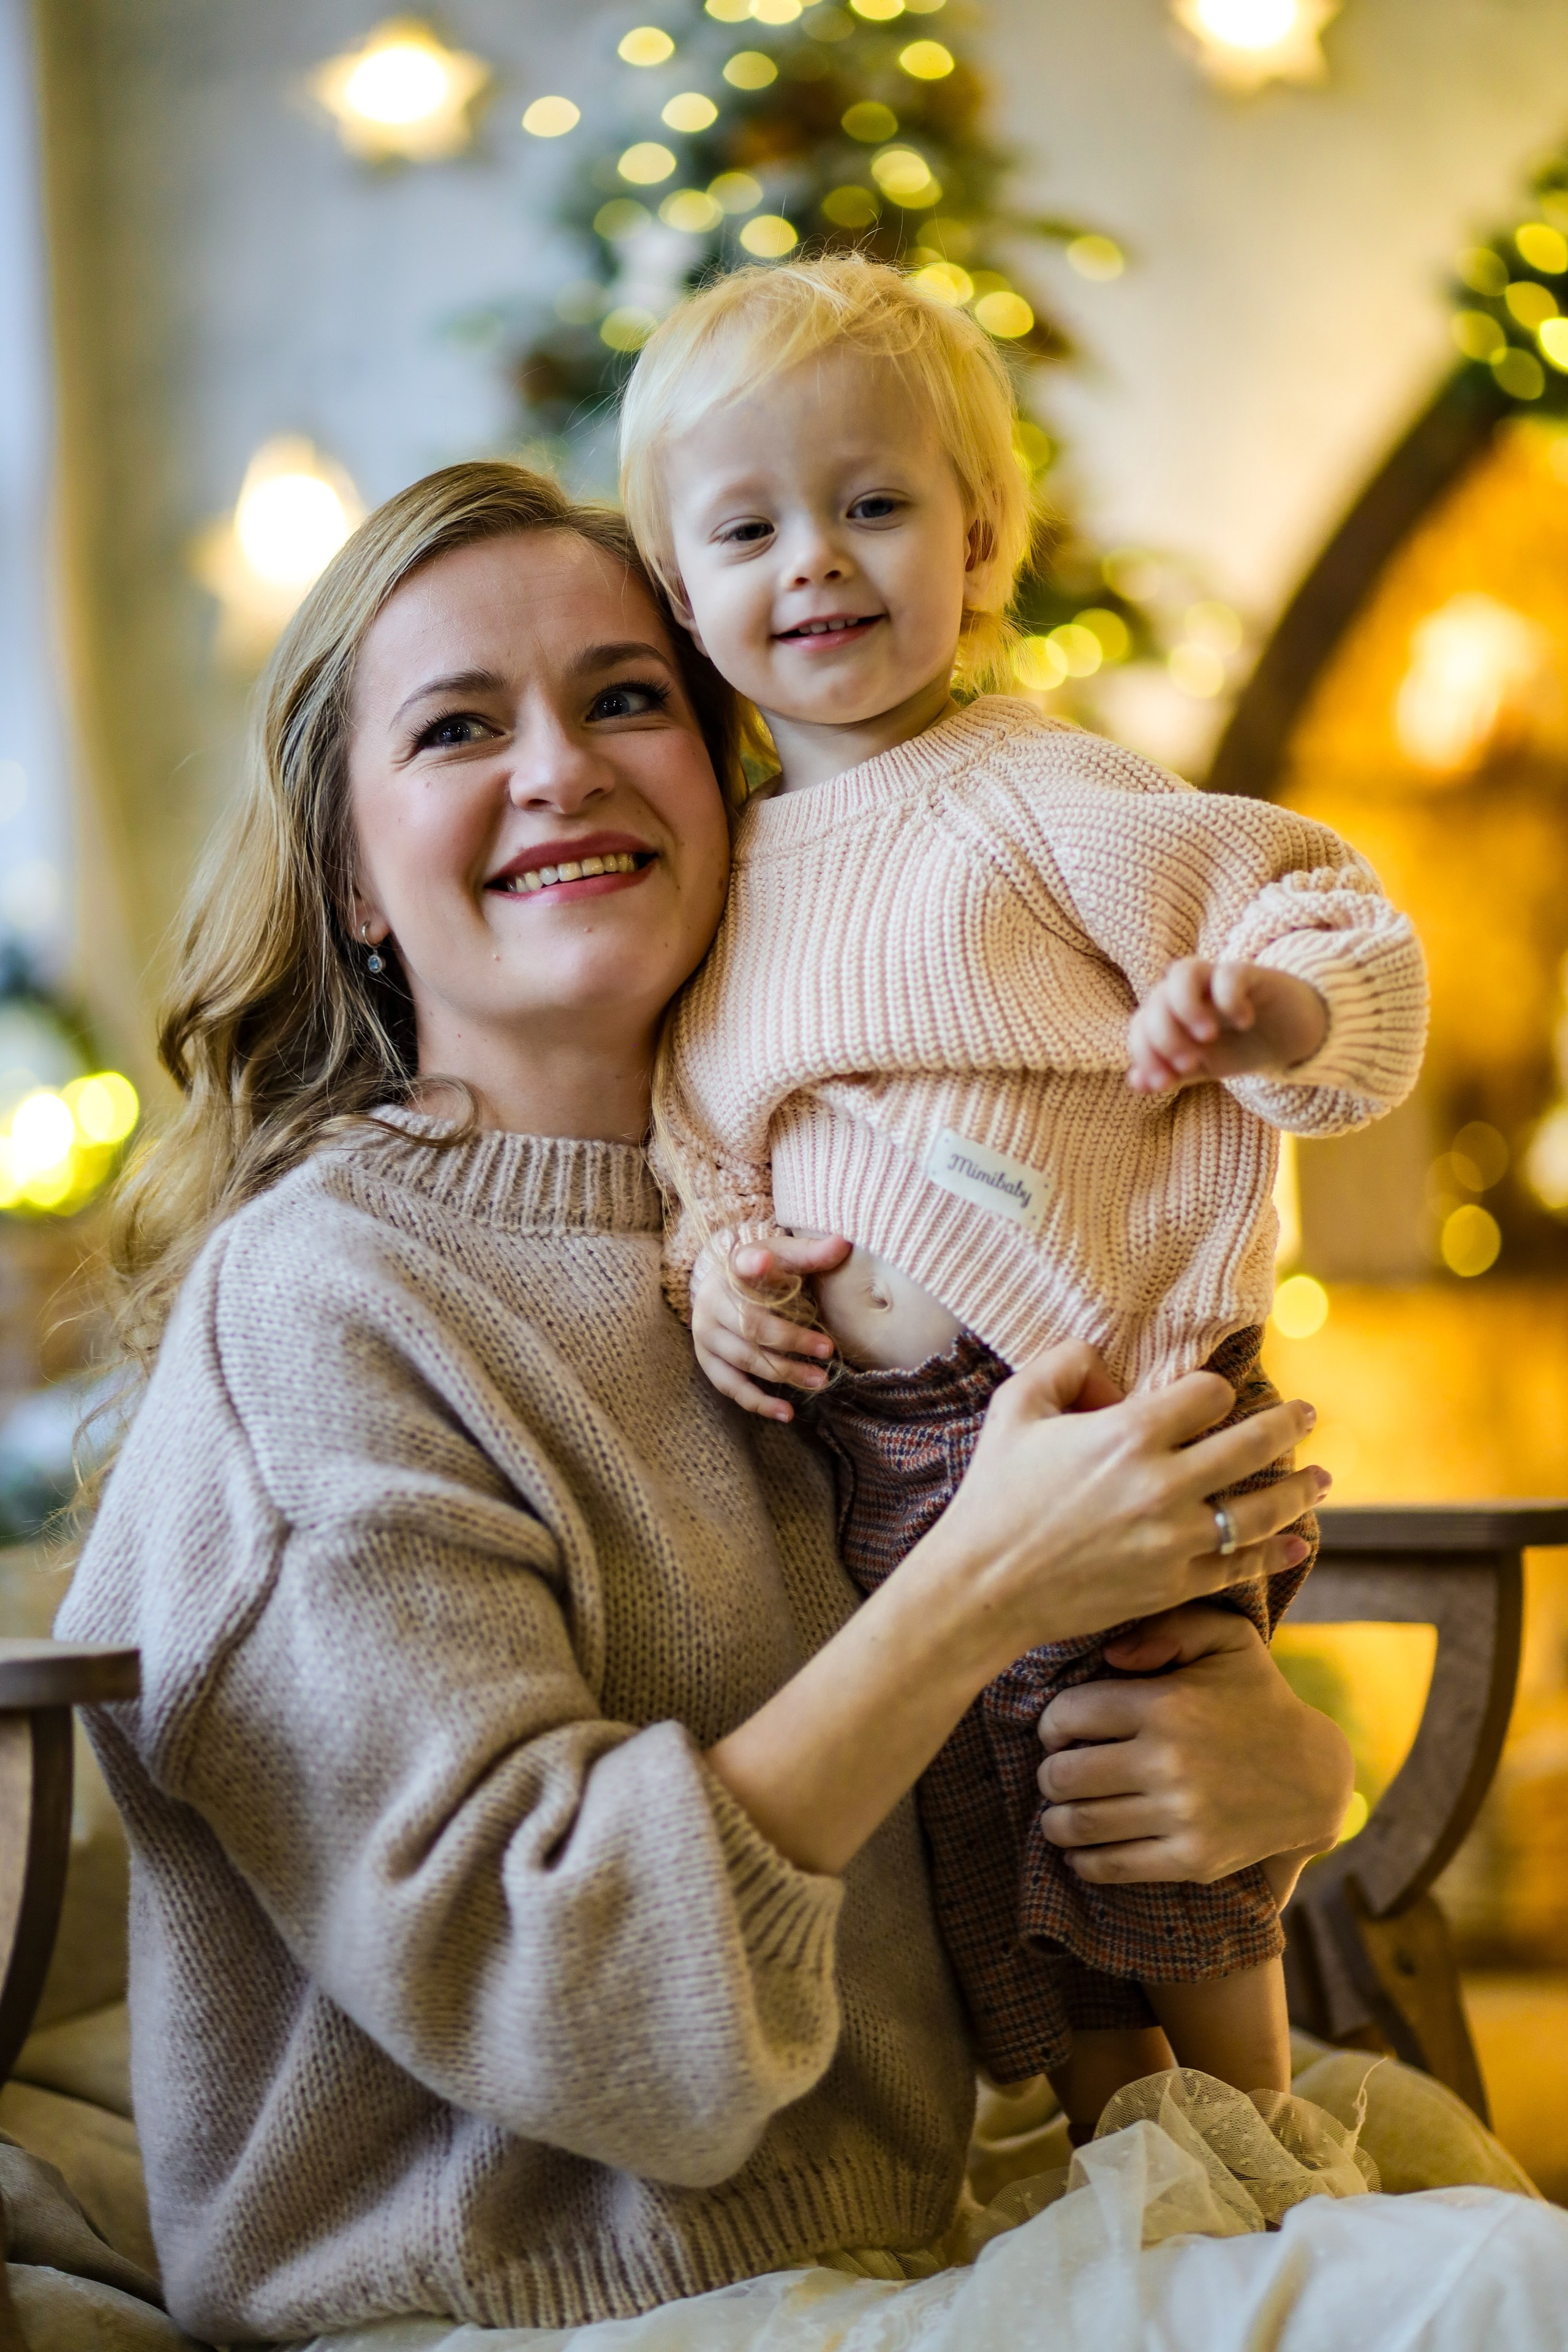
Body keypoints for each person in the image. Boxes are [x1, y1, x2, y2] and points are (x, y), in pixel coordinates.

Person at [56, 464, 1550, 2352]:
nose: (561, 770)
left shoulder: (836, 1235)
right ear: (354, 874)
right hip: (538, 2308)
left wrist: (1267, 1778)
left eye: (625, 699)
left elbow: (1011, 1773)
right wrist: (984, 1591)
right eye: (458, 728)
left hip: (928, 2218)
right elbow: (573, 2005)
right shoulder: (323, 1305)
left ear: (728, 783)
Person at [620, 256, 1428, 2130]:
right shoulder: (720, 880)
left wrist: (1272, 1009)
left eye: (873, 506)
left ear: (979, 544)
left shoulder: (1034, 795)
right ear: (677, 590)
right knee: (996, 1833)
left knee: (1142, 1770)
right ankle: (1111, 2148)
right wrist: (722, 1271)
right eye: (747, 529)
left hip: (1105, 1398)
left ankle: (1256, 2127)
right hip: (884, 1451)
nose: (814, 562)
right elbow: (700, 1145)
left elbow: (1324, 907)